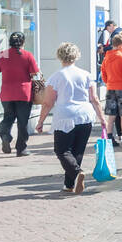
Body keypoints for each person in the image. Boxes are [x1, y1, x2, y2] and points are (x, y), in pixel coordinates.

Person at [36, 42, 108, 193]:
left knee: (61, 150)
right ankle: (69, 184)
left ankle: (76, 173)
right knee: (78, 150)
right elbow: (94, 98)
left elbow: (48, 102)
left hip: (65, 115)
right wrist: (102, 118)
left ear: (59, 56)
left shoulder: (56, 77)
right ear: (76, 56)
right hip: (85, 114)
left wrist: (41, 121)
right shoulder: (86, 74)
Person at [0, 30, 40, 156]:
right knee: (22, 121)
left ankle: (5, 136)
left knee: (8, 118)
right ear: (22, 42)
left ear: (10, 42)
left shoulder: (2, 55)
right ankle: (21, 148)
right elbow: (34, 73)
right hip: (24, 93)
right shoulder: (27, 55)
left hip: (7, 93)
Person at [100, 32, 122, 145]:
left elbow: (103, 74)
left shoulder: (106, 58)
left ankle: (110, 137)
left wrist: (108, 82)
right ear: (121, 45)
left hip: (110, 87)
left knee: (111, 114)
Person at [95, 20, 116, 84]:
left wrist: (103, 48)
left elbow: (109, 45)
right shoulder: (106, 32)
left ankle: (101, 81)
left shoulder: (108, 33)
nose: (108, 31)